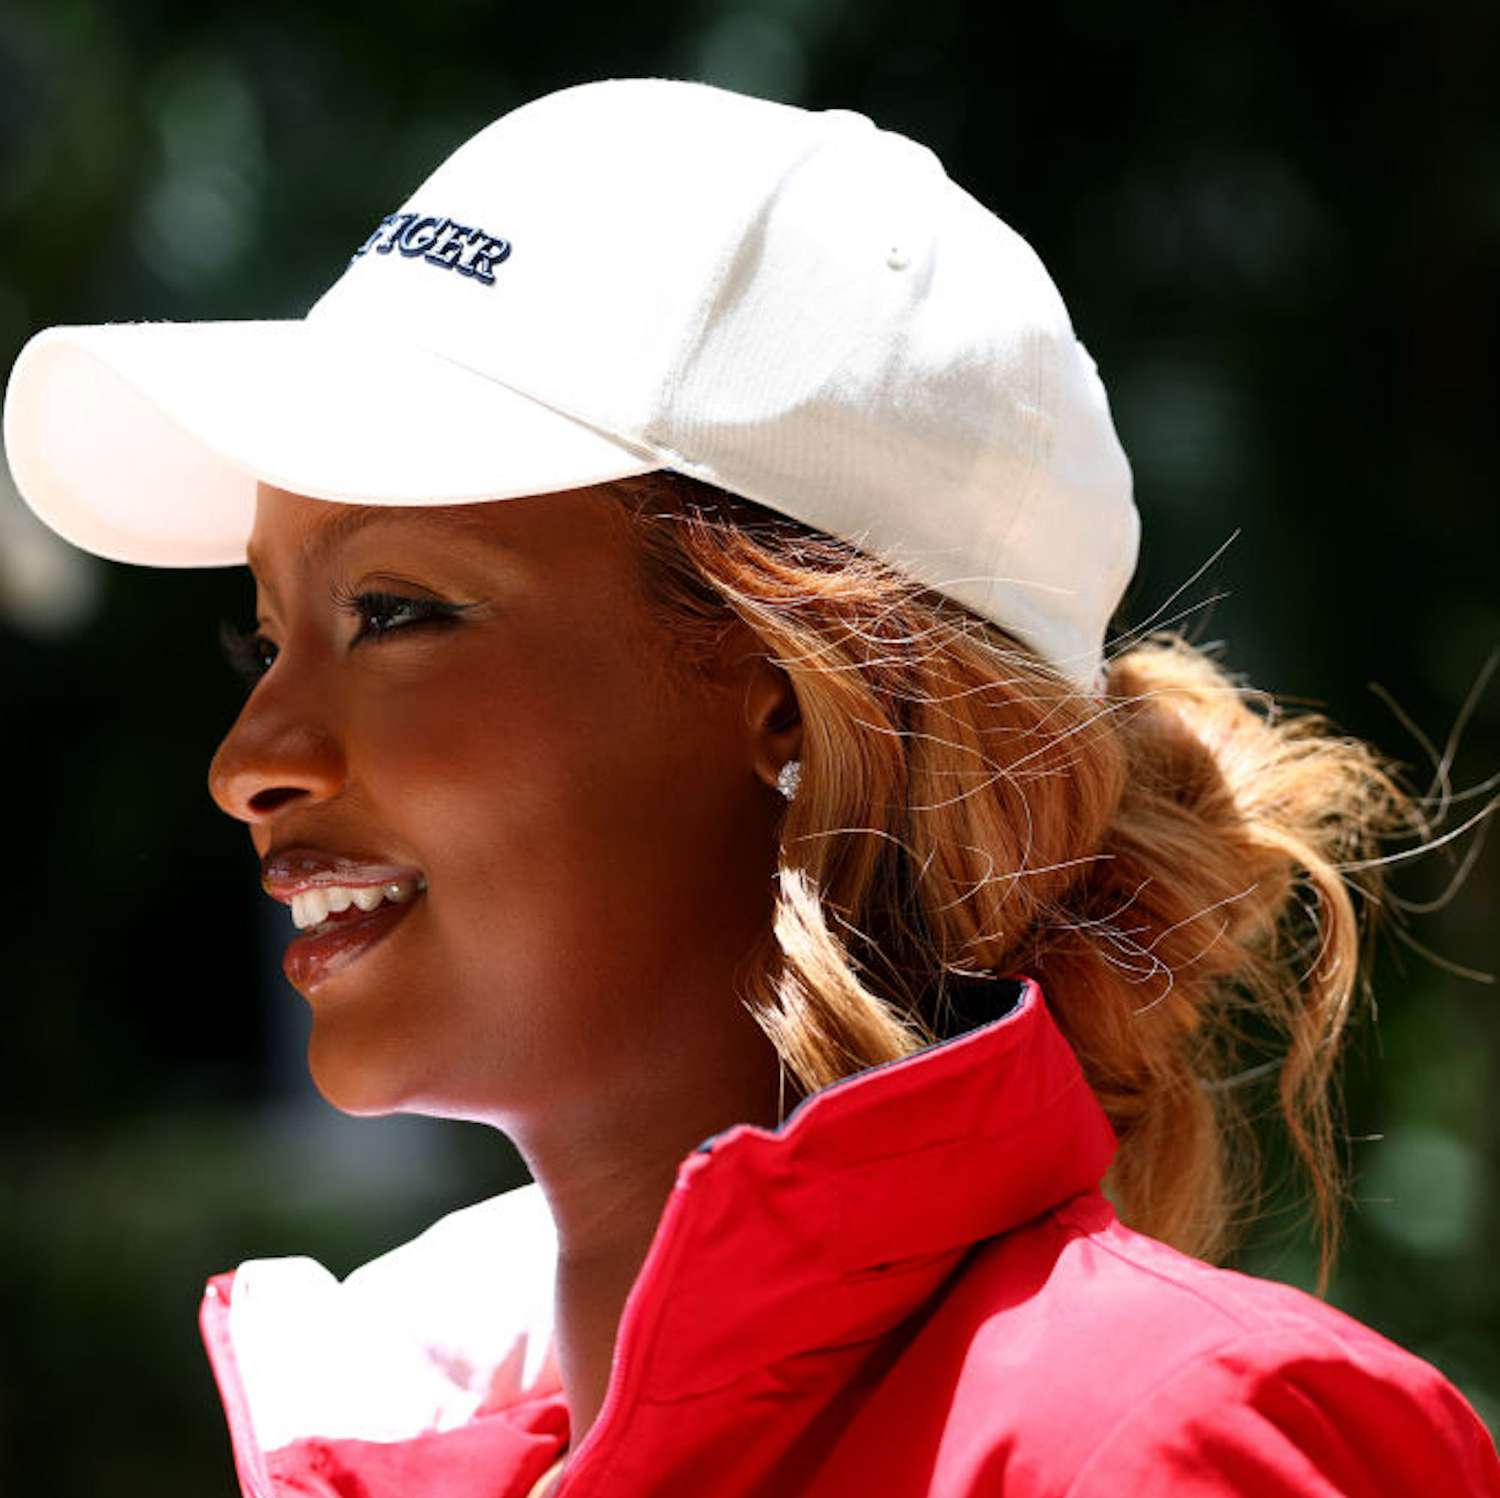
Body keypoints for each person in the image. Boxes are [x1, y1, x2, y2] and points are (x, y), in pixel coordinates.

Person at [4, 76, 1496, 1498]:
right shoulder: (397, 1436)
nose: (247, 762)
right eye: (267, 637)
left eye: (393, 613)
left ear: (799, 700)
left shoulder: (1158, 1444)